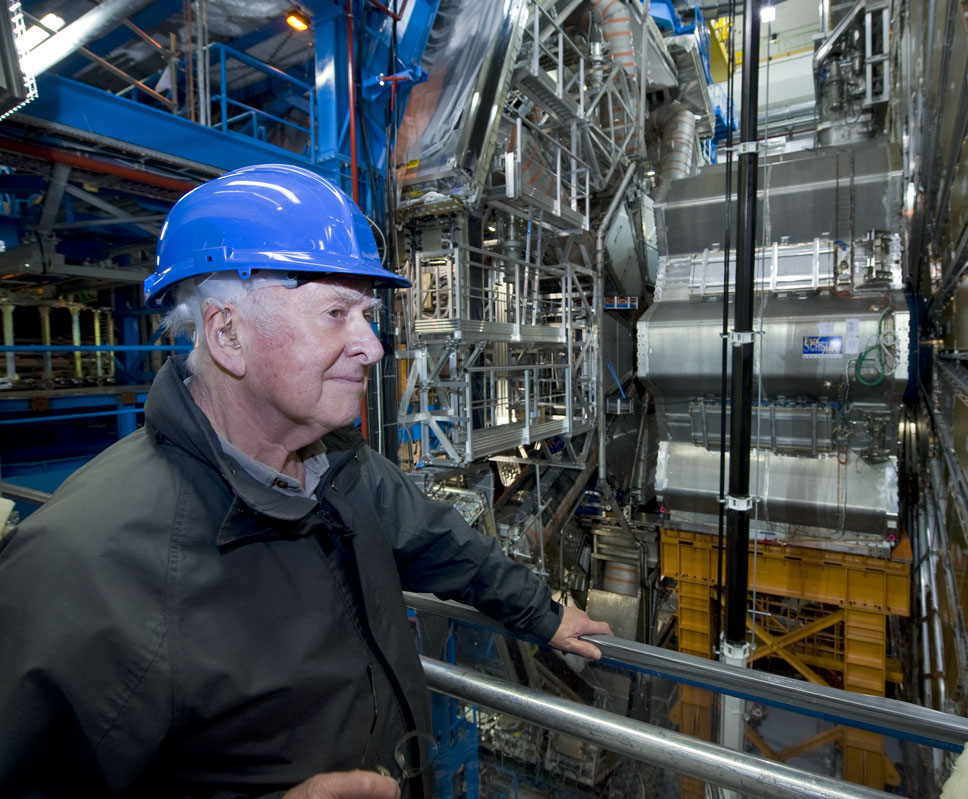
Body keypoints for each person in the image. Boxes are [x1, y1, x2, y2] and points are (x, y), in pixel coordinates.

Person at [0, 164, 611, 799]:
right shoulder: (85, 568)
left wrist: (539, 610)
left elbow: (437, 542)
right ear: (228, 334)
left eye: (367, 314)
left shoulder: (340, 465)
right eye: (336, 312)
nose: (372, 347)